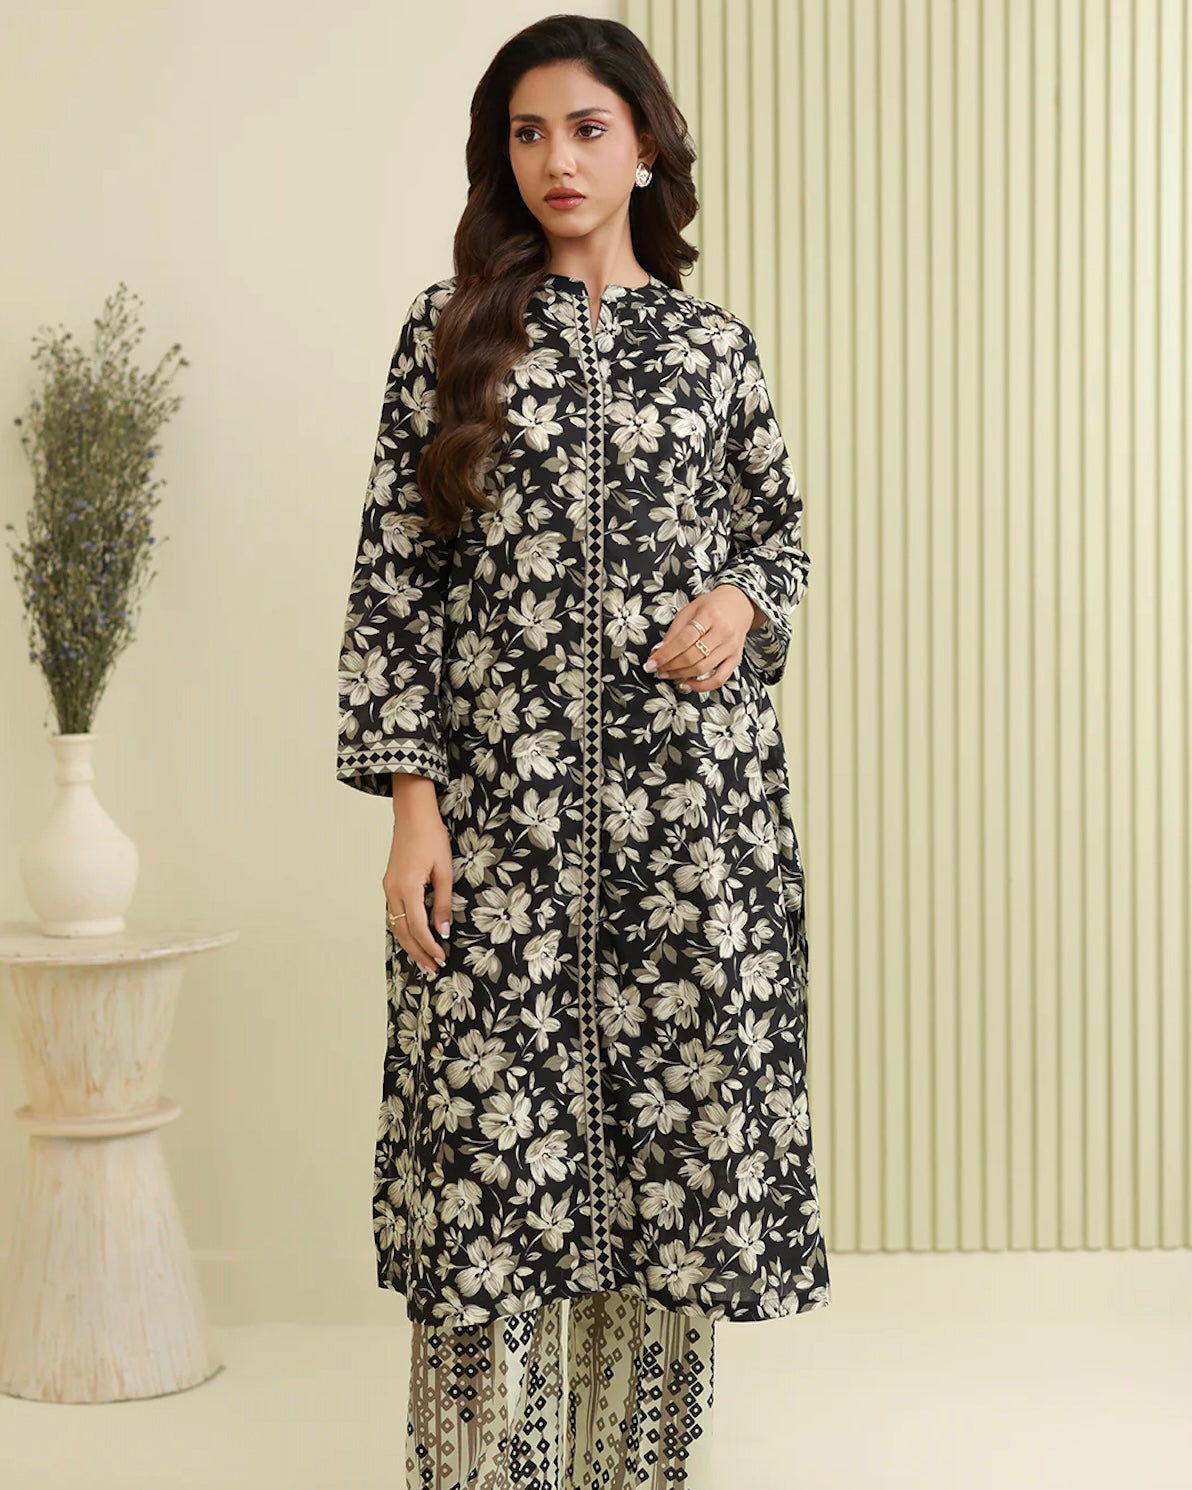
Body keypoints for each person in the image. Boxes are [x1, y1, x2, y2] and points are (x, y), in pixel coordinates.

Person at [335, 14, 831, 1488]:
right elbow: (397, 580)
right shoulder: (448, 334)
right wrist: (413, 809)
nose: (558, 158)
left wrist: (741, 600)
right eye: (529, 132)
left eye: (589, 128)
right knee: (490, 1163)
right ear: (502, 156)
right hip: (505, 824)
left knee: (669, 1170)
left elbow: (782, 537)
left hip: (693, 828)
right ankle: (481, 1473)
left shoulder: (714, 348)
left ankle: (636, 1470)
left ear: (647, 146)